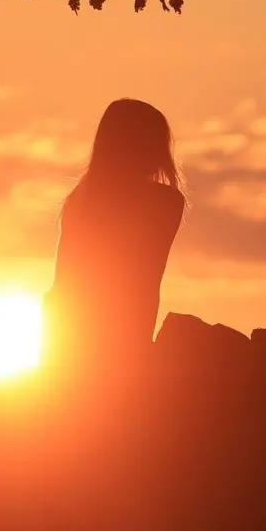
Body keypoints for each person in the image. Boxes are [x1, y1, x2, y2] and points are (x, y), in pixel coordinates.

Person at [41, 98, 186, 372]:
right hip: (113, 340)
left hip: (66, 337)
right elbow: (144, 282)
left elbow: (66, 282)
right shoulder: (164, 202)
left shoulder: (79, 200)